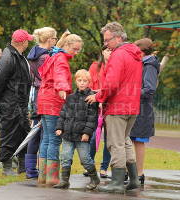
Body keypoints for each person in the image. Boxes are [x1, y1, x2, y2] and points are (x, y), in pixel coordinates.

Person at [86, 22, 142, 193]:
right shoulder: (135, 54)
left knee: (115, 144)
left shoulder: (118, 55)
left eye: (107, 40)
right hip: (132, 106)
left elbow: (111, 83)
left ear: (118, 37)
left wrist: (98, 96)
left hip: (118, 106)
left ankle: (117, 182)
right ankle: (133, 180)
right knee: (125, 142)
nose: (106, 45)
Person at [37, 31, 83, 186]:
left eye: (78, 50)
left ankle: (43, 176)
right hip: (53, 101)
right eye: (75, 49)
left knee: (46, 138)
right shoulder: (61, 58)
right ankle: (52, 177)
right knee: (54, 139)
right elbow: (60, 74)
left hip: (43, 100)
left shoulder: (53, 55)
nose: (76, 53)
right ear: (67, 45)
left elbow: (44, 72)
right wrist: (63, 88)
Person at [0, 29, 33, 176]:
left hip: (20, 102)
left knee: (24, 133)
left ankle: (23, 166)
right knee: (8, 134)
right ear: (22, 42)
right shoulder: (8, 56)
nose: (28, 42)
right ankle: (7, 167)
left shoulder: (18, 55)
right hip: (11, 103)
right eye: (27, 40)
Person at [53, 69, 100, 190]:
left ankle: (94, 178)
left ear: (89, 82)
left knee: (85, 159)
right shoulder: (70, 97)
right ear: (76, 82)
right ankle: (64, 181)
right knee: (65, 156)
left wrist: (86, 133)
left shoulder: (91, 99)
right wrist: (59, 127)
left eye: (85, 81)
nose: (82, 83)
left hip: (82, 136)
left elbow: (92, 119)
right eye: (80, 80)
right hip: (68, 134)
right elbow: (63, 114)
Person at [25, 27, 58, 179]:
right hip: (42, 93)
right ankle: (35, 170)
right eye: (55, 38)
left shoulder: (34, 52)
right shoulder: (45, 57)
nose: (56, 41)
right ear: (49, 39)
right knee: (42, 132)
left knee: (36, 131)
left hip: (34, 94)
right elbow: (48, 76)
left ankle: (31, 168)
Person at [130, 38, 160, 185]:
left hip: (143, 109)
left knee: (138, 140)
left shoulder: (149, 65)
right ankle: (131, 172)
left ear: (141, 51)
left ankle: (139, 173)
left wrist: (130, 92)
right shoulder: (144, 63)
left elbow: (149, 90)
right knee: (132, 139)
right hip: (137, 106)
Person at [83, 47, 111, 178]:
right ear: (102, 52)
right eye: (107, 50)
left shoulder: (115, 66)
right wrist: (98, 96)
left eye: (111, 50)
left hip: (110, 105)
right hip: (95, 104)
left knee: (109, 139)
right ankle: (90, 165)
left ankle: (104, 167)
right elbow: (89, 85)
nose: (109, 53)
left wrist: (103, 95)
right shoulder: (95, 66)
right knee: (93, 136)